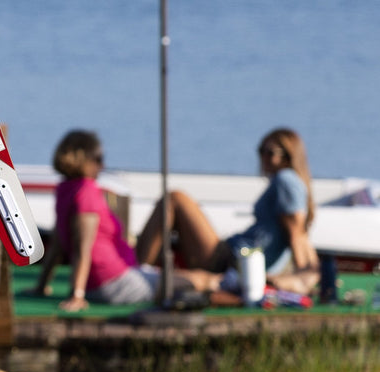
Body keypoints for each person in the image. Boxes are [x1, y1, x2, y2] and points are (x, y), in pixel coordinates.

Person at [34, 130, 215, 311]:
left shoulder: (65, 190)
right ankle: (237, 286)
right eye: (98, 159)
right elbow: (83, 248)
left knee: (188, 277)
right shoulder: (86, 192)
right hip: (116, 283)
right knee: (201, 280)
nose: (102, 165)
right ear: (84, 160)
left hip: (106, 282)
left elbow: (57, 245)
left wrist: (41, 287)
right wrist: (77, 296)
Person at [136, 127, 318, 292]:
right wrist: (311, 269)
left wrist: (303, 273)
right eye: (261, 151)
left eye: (270, 153)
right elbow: (299, 231)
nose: (264, 158)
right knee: (177, 203)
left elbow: (296, 231)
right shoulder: (290, 182)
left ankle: (137, 272)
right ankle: (138, 270)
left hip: (231, 259)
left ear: (289, 156)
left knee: (175, 199)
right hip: (238, 258)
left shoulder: (286, 179)